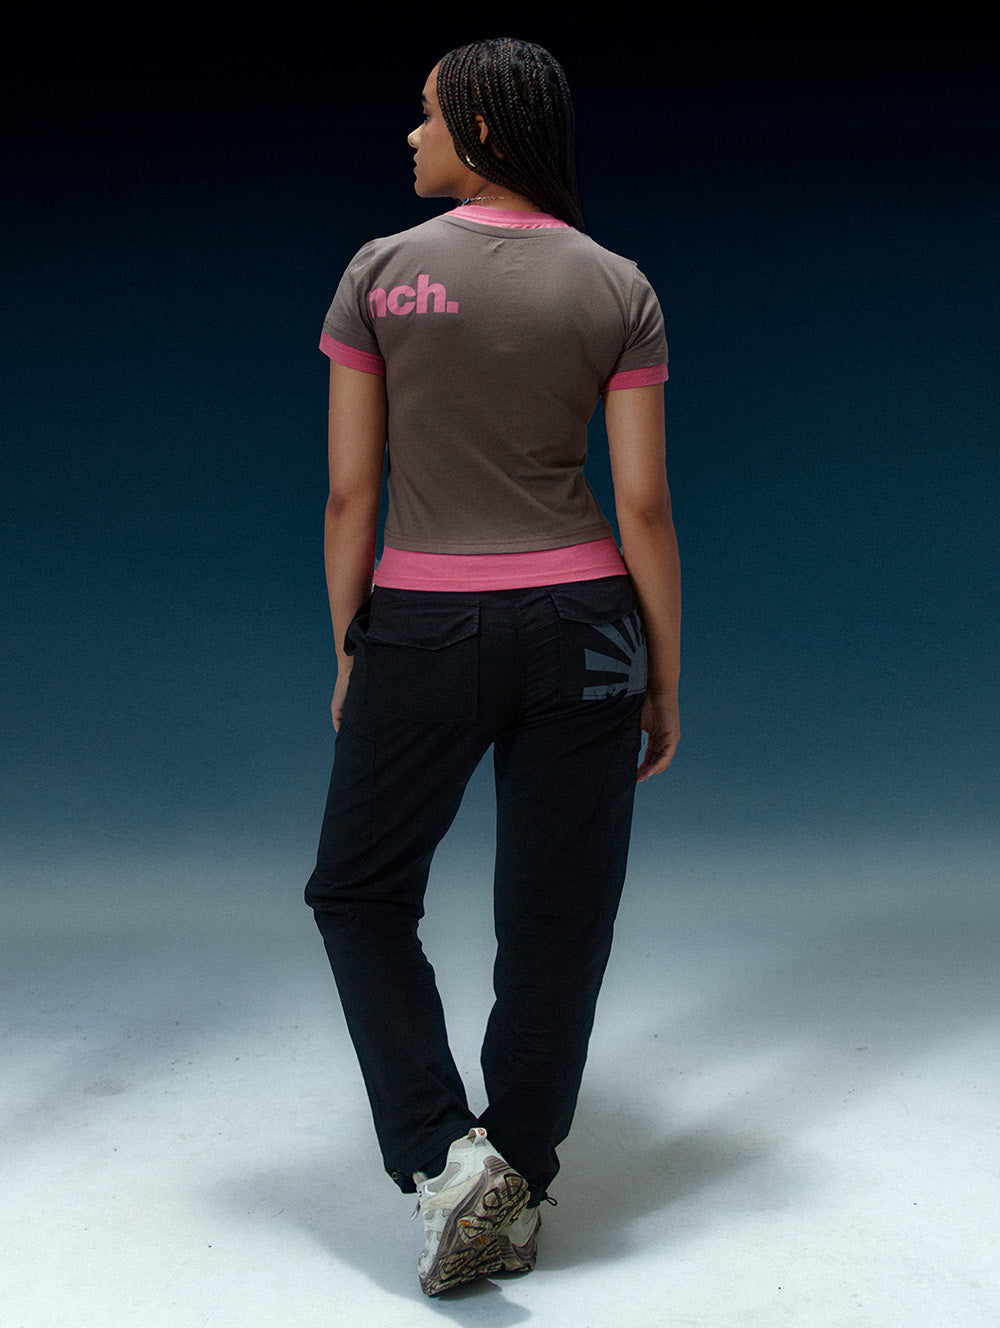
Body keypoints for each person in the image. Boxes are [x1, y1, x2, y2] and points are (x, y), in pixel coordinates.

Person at [304, 37, 680, 1296]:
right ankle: (513, 1174)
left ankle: (443, 1157)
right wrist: (663, 672)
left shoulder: (380, 272)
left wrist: (353, 643)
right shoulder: (618, 284)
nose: (409, 135)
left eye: (424, 116)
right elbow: (643, 505)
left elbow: (351, 491)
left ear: (477, 127)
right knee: (558, 920)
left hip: (421, 622)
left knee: (360, 894)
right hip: (587, 626)